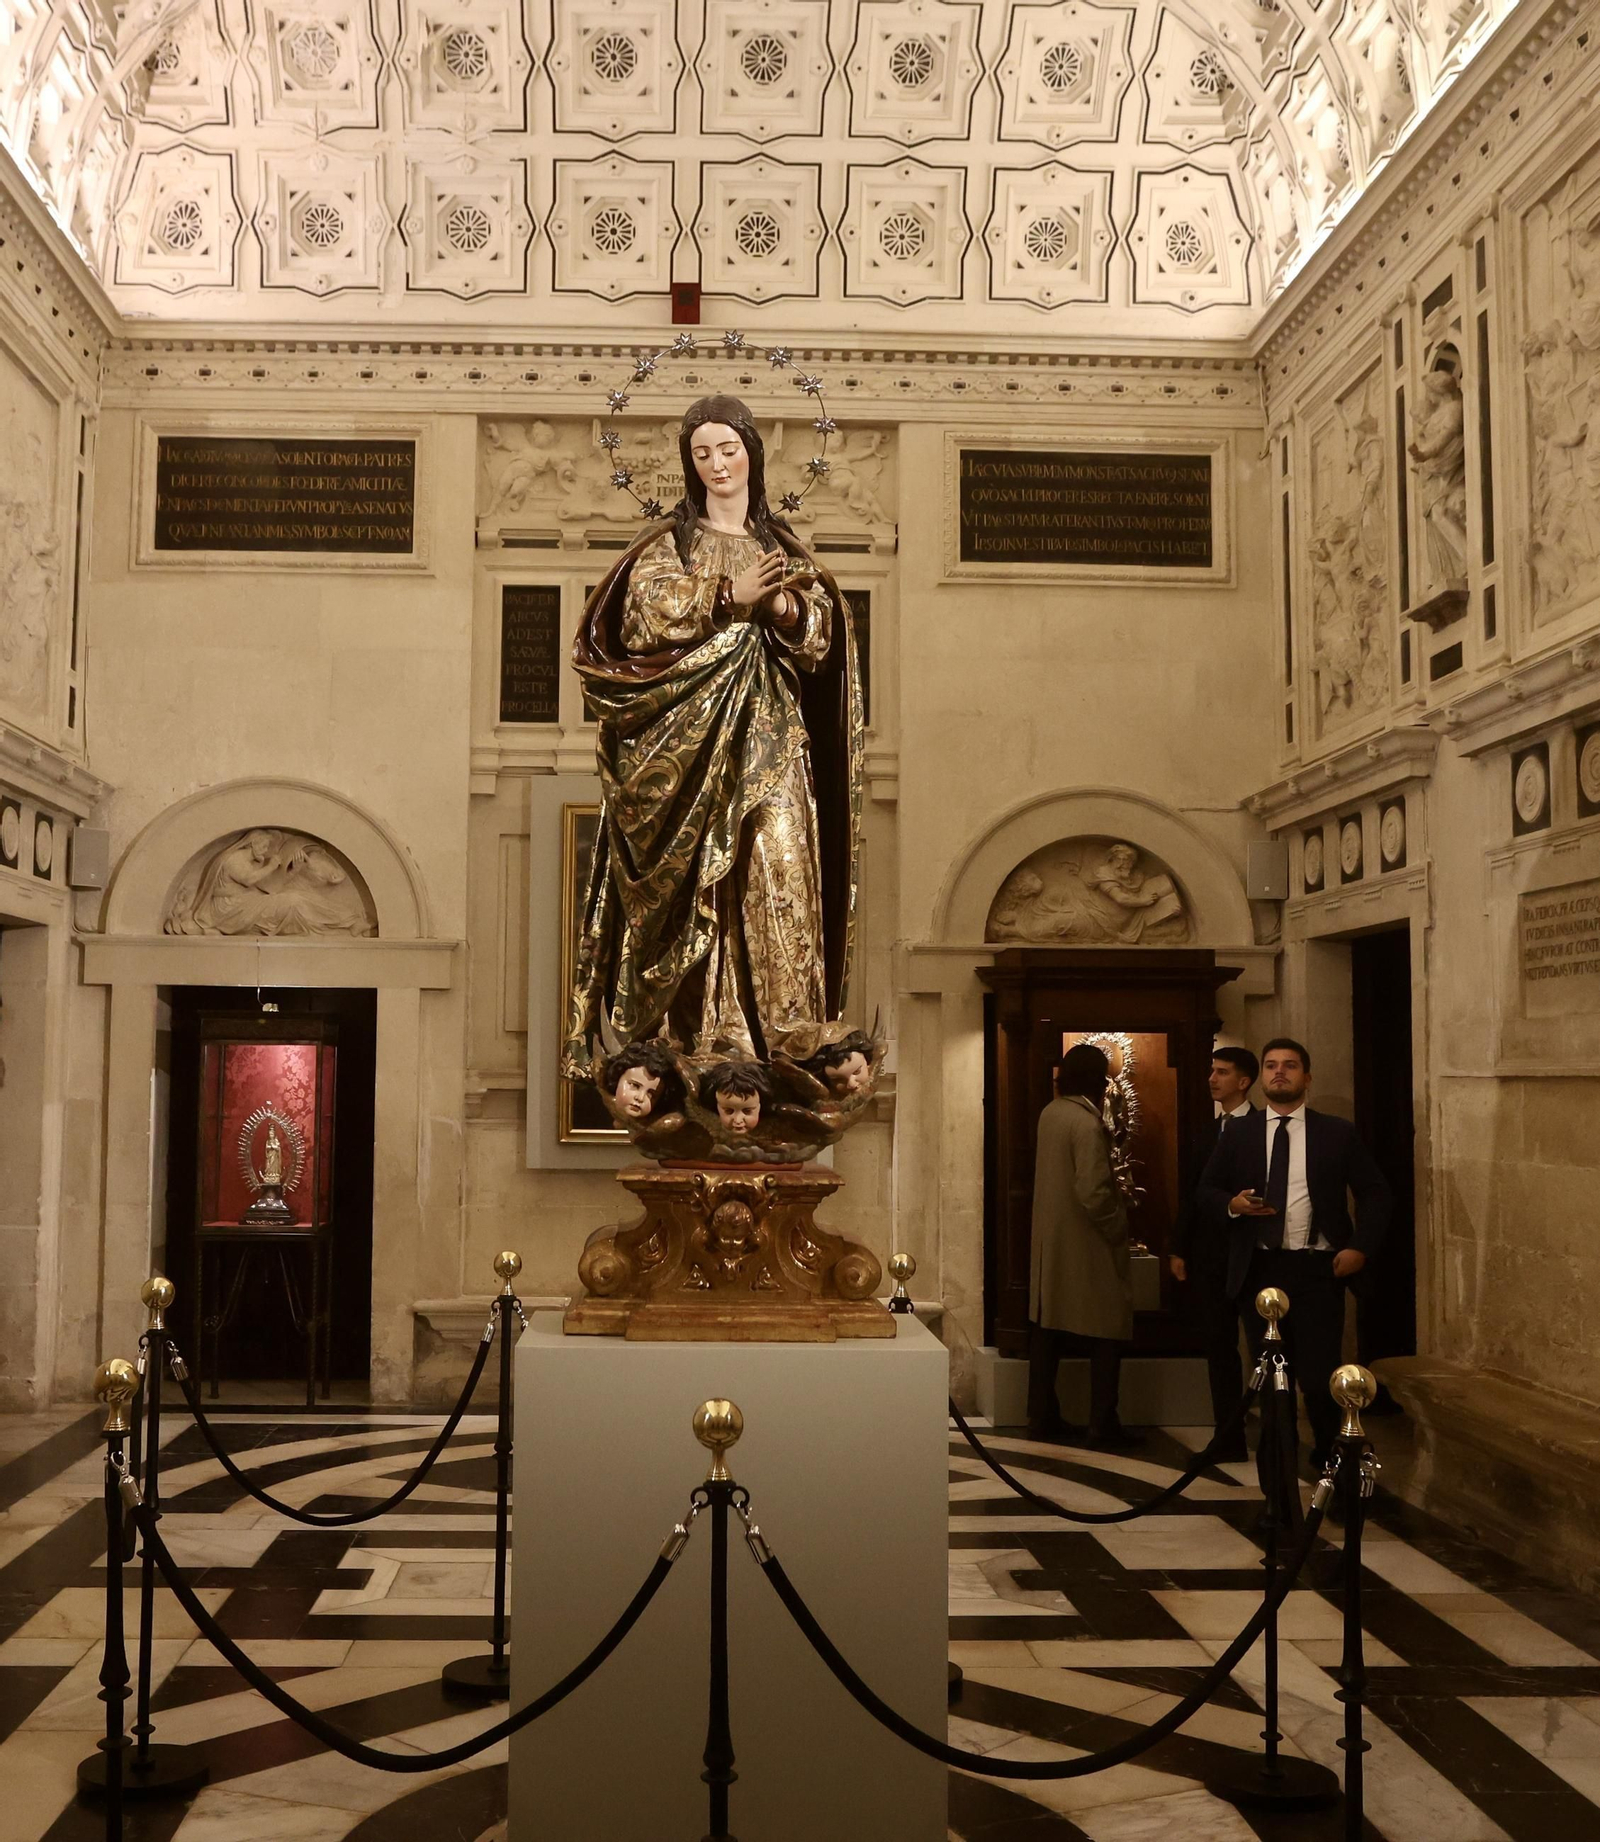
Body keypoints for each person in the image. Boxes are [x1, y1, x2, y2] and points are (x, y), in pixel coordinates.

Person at [563, 394, 863, 1072]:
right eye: (702, 453)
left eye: (728, 449)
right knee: (703, 878)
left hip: (774, 737)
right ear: (688, 463)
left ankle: (788, 1036)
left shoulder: (781, 549)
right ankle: (706, 1041)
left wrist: (783, 604)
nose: (717, 464)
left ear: (752, 454)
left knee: (780, 865)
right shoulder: (670, 545)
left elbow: (823, 635)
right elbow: (644, 614)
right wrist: (730, 599)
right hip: (693, 744)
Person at [1199, 1037, 1391, 1478]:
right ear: (1261, 1077)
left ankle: (1333, 1472)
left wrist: (1359, 1246)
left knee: (1320, 1380)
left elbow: (1376, 1192)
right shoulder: (1240, 1133)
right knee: (1270, 1387)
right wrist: (1234, 1205)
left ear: (1307, 1077)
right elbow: (1205, 1191)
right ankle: (1277, 1489)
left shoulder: (1335, 1132)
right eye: (1271, 1066)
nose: (1279, 1072)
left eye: (1289, 1066)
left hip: (1317, 1270)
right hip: (1260, 1270)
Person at [1027, 1043, 1138, 1447]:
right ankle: (1102, 1423)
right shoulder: (1087, 1123)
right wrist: (1116, 1227)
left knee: (1047, 1330)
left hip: (1052, 1242)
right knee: (1108, 1330)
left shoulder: (1050, 1113)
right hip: (1088, 1243)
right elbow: (1093, 1190)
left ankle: (1041, 1415)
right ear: (1098, 1080)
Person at [1169, 1045, 1259, 1462]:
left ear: (1243, 1081)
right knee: (1218, 1347)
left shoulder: (1265, 1128)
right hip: (1208, 1255)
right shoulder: (1206, 1132)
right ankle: (1228, 1436)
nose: (1212, 1079)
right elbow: (1191, 1193)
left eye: (1221, 1072)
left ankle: (1275, 1435)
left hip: (1253, 1254)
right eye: (1211, 1071)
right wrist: (1178, 1247)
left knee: (1261, 1348)